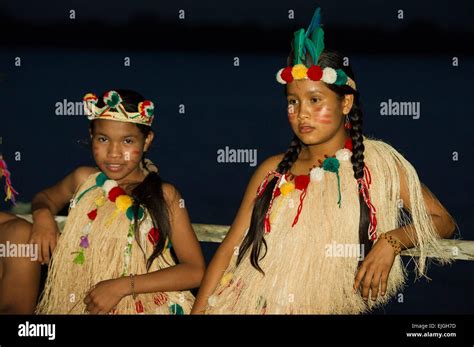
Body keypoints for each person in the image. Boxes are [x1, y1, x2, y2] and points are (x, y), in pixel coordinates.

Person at [191, 8, 456, 314]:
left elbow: (443, 221)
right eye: (293, 102)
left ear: (346, 102)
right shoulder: (272, 170)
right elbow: (228, 250)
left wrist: (392, 241)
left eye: (315, 100)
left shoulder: (378, 164)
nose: (302, 113)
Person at [1, 89, 205, 314]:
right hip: (79, 303)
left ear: (147, 141)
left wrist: (122, 287)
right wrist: (42, 217)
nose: (114, 153)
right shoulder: (83, 179)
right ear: (91, 137)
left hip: (144, 305)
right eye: (103, 139)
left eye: (127, 141)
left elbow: (194, 270)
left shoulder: (165, 195)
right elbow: (46, 198)